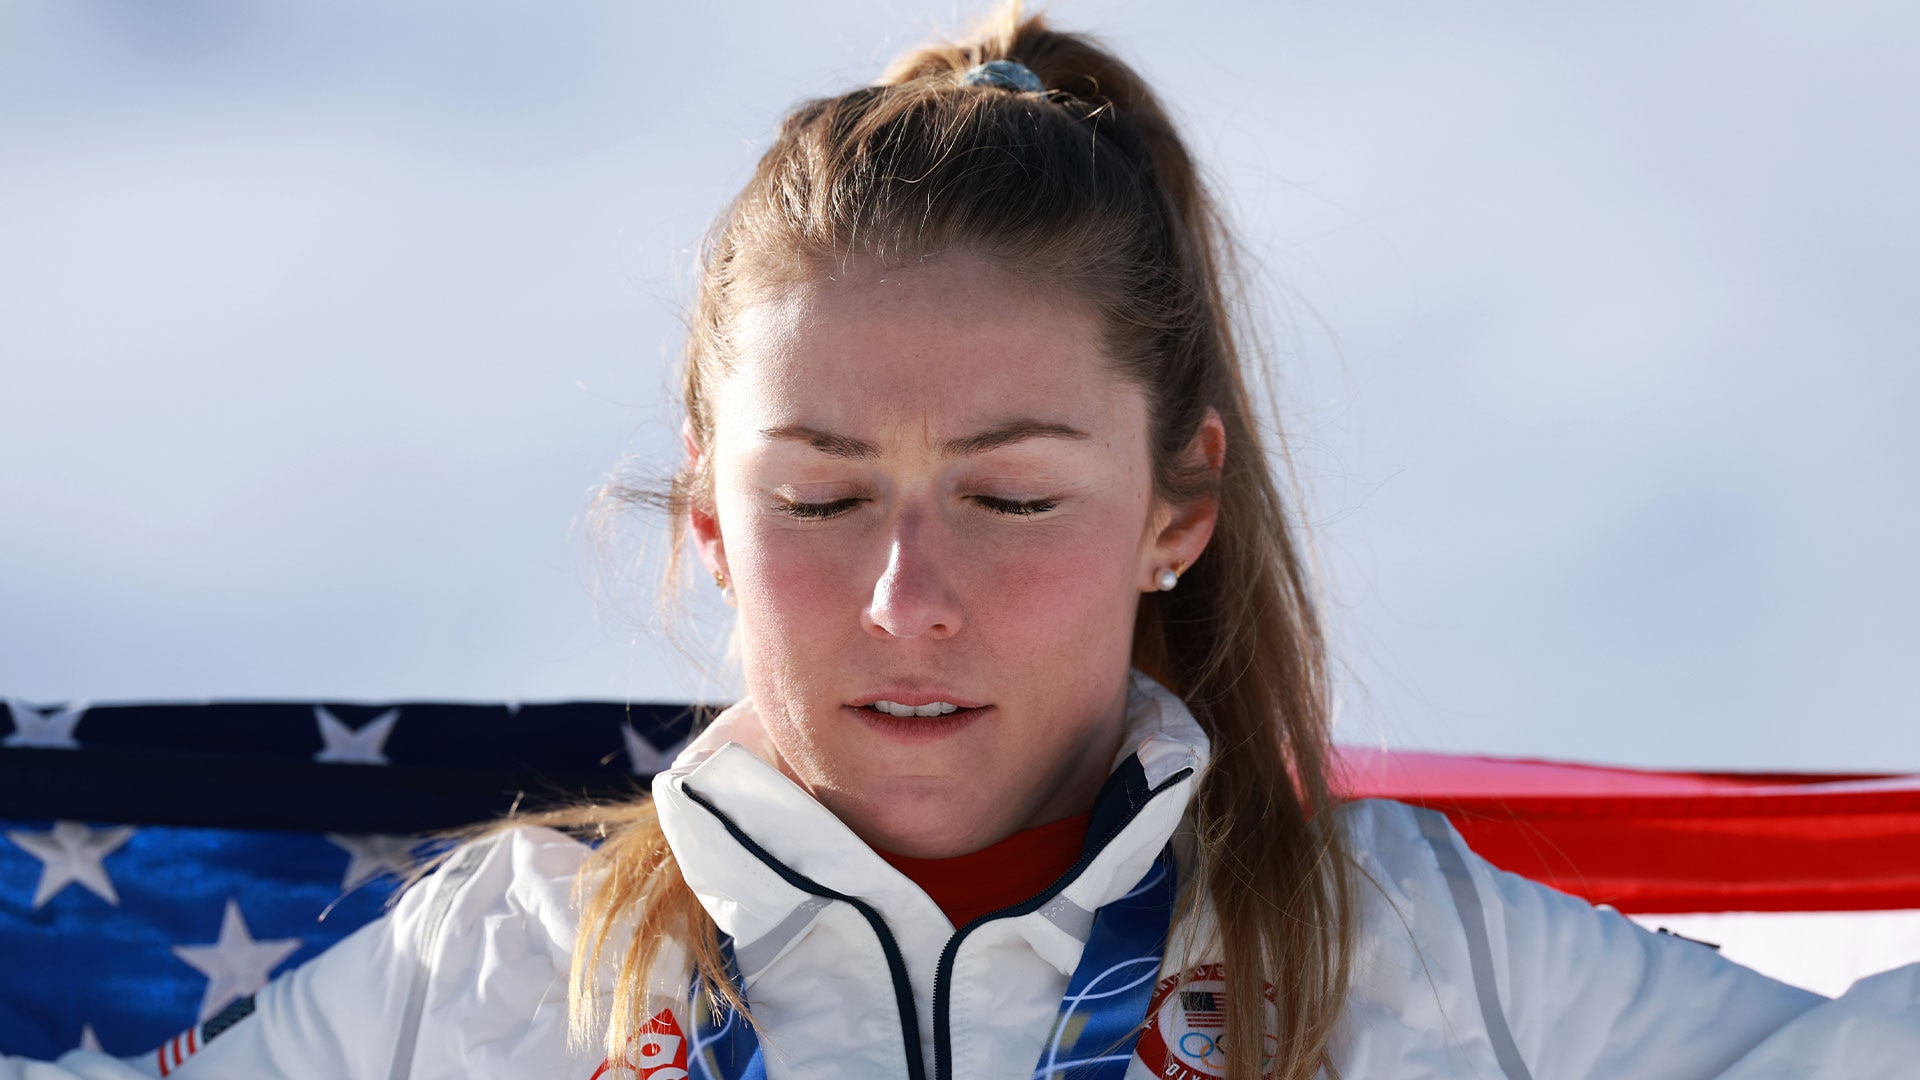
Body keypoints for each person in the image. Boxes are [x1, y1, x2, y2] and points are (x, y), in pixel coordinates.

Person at [9, 6, 1918, 1080]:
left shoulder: (1407, 959)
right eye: (819, 500)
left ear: (1181, 506)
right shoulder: (491, 986)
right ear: (704, 515)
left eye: (1010, 500)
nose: (907, 601)